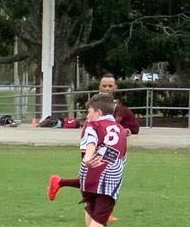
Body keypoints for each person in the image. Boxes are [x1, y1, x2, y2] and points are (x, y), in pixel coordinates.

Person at [47, 73, 139, 202]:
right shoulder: (95, 104)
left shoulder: (119, 108)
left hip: (109, 148)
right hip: (94, 144)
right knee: (96, 177)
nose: (107, 88)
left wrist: (127, 130)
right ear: (99, 86)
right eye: (104, 86)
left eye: (110, 86)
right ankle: (92, 207)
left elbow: (134, 127)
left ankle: (60, 183)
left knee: (101, 176)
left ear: (115, 87)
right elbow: (89, 123)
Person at [64, 92, 127, 227]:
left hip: (89, 176)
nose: (87, 115)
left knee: (90, 210)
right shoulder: (121, 130)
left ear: (98, 112)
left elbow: (90, 145)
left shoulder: (92, 126)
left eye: (89, 111)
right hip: (110, 180)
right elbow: (121, 156)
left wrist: (89, 158)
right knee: (98, 222)